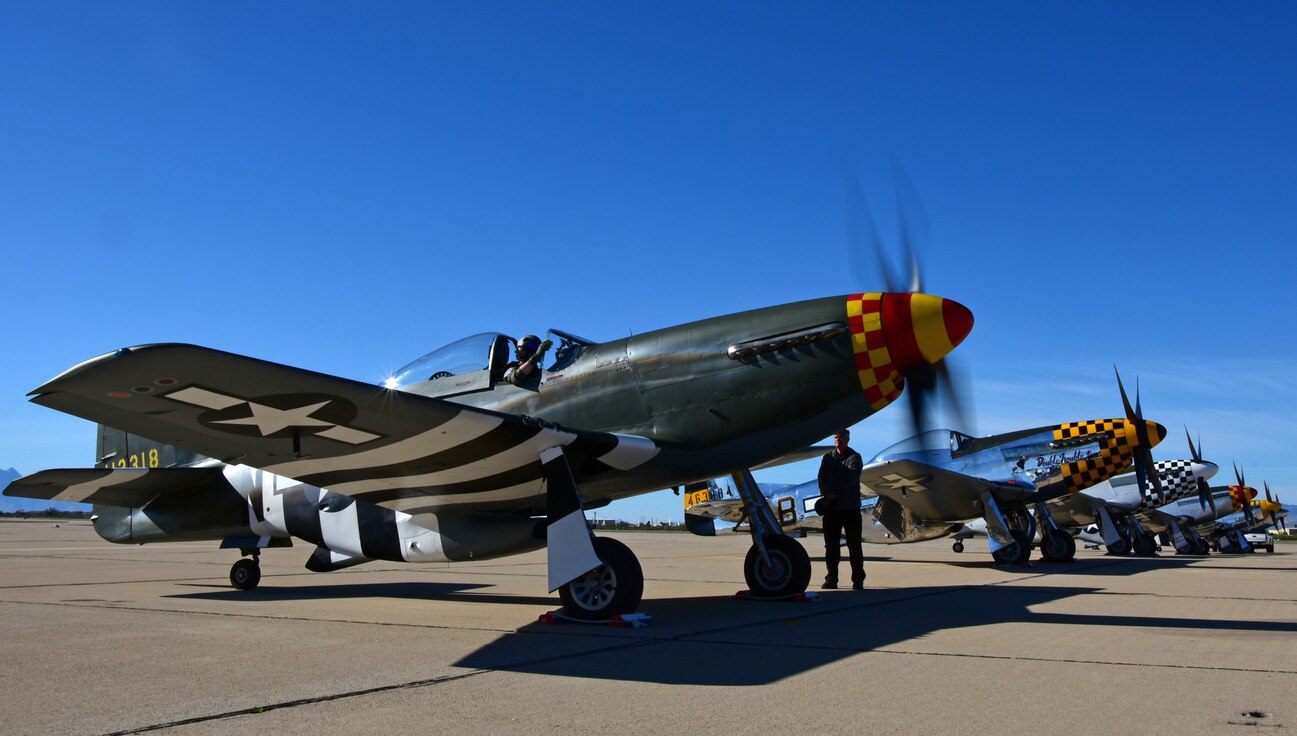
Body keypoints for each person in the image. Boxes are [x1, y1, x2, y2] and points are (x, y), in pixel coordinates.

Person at [818, 428, 865, 590]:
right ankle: (831, 579)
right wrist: (826, 493)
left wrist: (831, 490)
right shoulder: (827, 458)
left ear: (848, 439)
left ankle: (858, 580)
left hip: (850, 510)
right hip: (832, 510)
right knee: (831, 547)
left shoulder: (855, 458)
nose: (838, 440)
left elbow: (850, 479)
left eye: (842, 437)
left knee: (854, 546)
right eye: (836, 437)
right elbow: (821, 478)